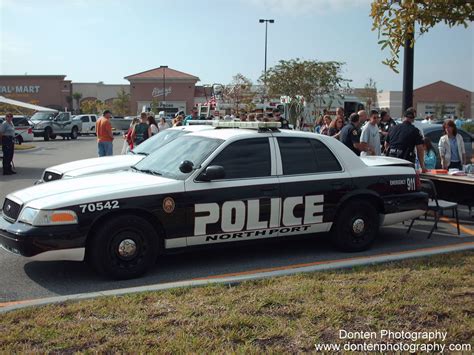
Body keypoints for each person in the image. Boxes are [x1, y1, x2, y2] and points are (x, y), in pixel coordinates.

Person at [385, 108, 427, 172]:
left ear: (403, 118)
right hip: (405, 162)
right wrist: (422, 166)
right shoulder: (415, 131)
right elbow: (420, 149)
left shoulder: (392, 128)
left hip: (391, 161)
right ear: (413, 119)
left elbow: (386, 144)